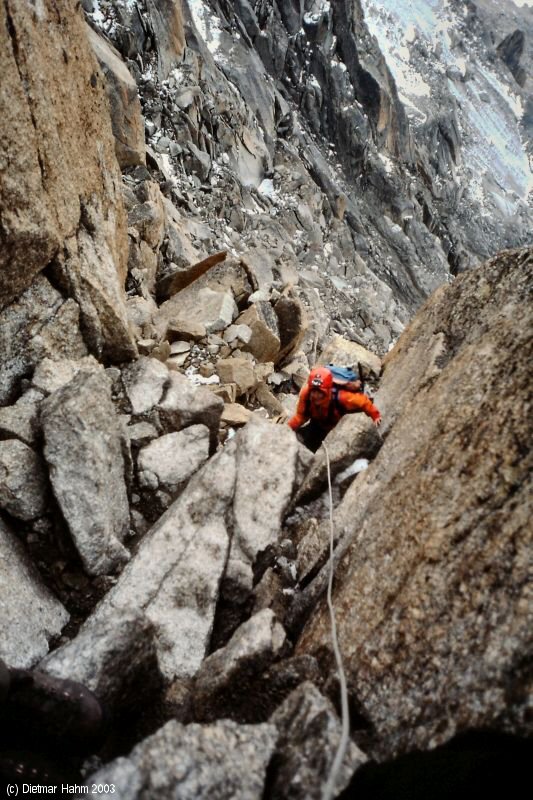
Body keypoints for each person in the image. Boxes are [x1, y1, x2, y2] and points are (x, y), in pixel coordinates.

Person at [287, 366, 381, 452]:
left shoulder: (343, 397)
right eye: (313, 391)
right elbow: (300, 417)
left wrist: (375, 416)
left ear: (328, 390)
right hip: (316, 422)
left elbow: (364, 402)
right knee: (299, 438)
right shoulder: (306, 394)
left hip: (332, 428)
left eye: (319, 392)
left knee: (312, 447)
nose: (315, 395)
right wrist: (286, 429)